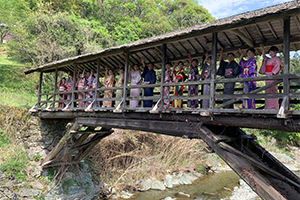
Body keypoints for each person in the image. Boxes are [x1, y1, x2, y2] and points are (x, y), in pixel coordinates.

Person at [259, 44, 281, 110]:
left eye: (272, 52)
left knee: (273, 91)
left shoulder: (277, 59)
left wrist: (273, 73)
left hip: (272, 76)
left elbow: (278, 66)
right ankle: (268, 108)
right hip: (268, 77)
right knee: (267, 92)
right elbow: (264, 57)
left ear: (276, 52)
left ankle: (274, 108)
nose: (270, 53)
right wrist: (263, 49)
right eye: (270, 52)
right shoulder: (269, 59)